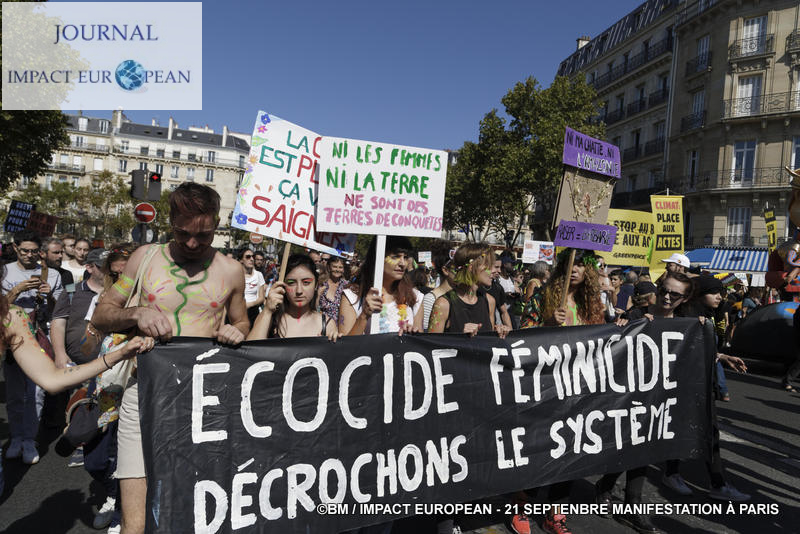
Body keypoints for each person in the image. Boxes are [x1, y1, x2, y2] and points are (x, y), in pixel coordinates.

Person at [91, 183, 250, 534]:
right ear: (170, 221)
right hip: (143, 393)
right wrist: (137, 313)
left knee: (197, 511)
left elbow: (241, 321)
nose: (193, 244)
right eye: (183, 234)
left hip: (205, 401)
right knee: (135, 522)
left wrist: (236, 331)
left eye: (204, 236)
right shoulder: (144, 258)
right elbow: (102, 316)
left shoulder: (230, 270)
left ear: (217, 225)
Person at [596, 271, 696, 533]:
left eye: (675, 294)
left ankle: (632, 505)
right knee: (623, 445)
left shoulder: (686, 324)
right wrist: (621, 327)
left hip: (659, 398)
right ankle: (606, 486)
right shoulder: (637, 316)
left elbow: (695, 353)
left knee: (644, 448)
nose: (667, 296)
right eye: (664, 289)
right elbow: (611, 347)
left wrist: (717, 353)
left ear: (684, 298)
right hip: (627, 394)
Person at [516, 248, 608, 534]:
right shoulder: (544, 295)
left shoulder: (593, 302)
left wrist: (616, 327)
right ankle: (522, 505)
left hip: (578, 387)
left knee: (570, 451)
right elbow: (522, 333)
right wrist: (547, 324)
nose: (577, 268)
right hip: (545, 385)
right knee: (537, 446)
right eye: (572, 263)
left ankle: (556, 513)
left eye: (582, 263)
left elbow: (603, 340)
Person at [661, 274, 750, 502]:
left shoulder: (709, 314)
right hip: (683, 385)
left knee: (709, 433)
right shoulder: (687, 314)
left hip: (702, 385)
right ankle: (673, 473)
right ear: (700, 294)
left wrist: (721, 356)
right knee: (683, 430)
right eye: (714, 292)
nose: (720, 296)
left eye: (721, 292)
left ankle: (716, 483)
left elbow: (703, 349)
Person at [2, 230, 64, 465]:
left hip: (39, 336)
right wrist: (17, 290)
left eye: (33, 251)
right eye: (24, 250)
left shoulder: (52, 274)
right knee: (15, 393)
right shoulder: (5, 271)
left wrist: (49, 297)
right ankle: (16, 437)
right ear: (15, 248)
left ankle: (30, 439)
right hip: (12, 337)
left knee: (36, 392)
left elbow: (60, 312)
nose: (29, 255)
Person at [339, 235, 423, 336]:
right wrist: (364, 315)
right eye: (395, 257)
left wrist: (412, 334)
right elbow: (345, 347)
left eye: (405, 257)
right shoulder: (352, 296)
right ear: (378, 257)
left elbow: (421, 345)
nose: (403, 263)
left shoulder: (415, 297)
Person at [428, 243, 510, 339]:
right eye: (488, 265)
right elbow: (431, 347)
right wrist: (460, 338)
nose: (494, 270)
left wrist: (499, 334)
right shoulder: (443, 304)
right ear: (472, 267)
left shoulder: (489, 301)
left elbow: (489, 343)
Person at [247, 254, 339, 341]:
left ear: (316, 285)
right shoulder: (270, 318)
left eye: (306, 282)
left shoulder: (327, 324)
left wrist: (334, 342)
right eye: (291, 283)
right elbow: (250, 351)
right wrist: (267, 311)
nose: (299, 291)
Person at [421, 240, 454, 331]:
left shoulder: (461, 295)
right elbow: (427, 333)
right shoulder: (430, 299)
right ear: (445, 270)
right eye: (457, 268)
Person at [318, 255, 348, 325]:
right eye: (334, 266)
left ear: (343, 269)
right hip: (323, 325)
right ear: (329, 268)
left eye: (340, 267)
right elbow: (315, 307)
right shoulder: (321, 283)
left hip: (341, 327)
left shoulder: (347, 286)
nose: (337, 269)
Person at [239, 248, 266, 327]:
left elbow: (261, 298)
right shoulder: (235, 275)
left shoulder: (258, 275)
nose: (251, 259)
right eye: (248, 257)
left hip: (253, 312)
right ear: (241, 260)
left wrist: (249, 305)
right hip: (238, 312)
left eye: (253, 257)